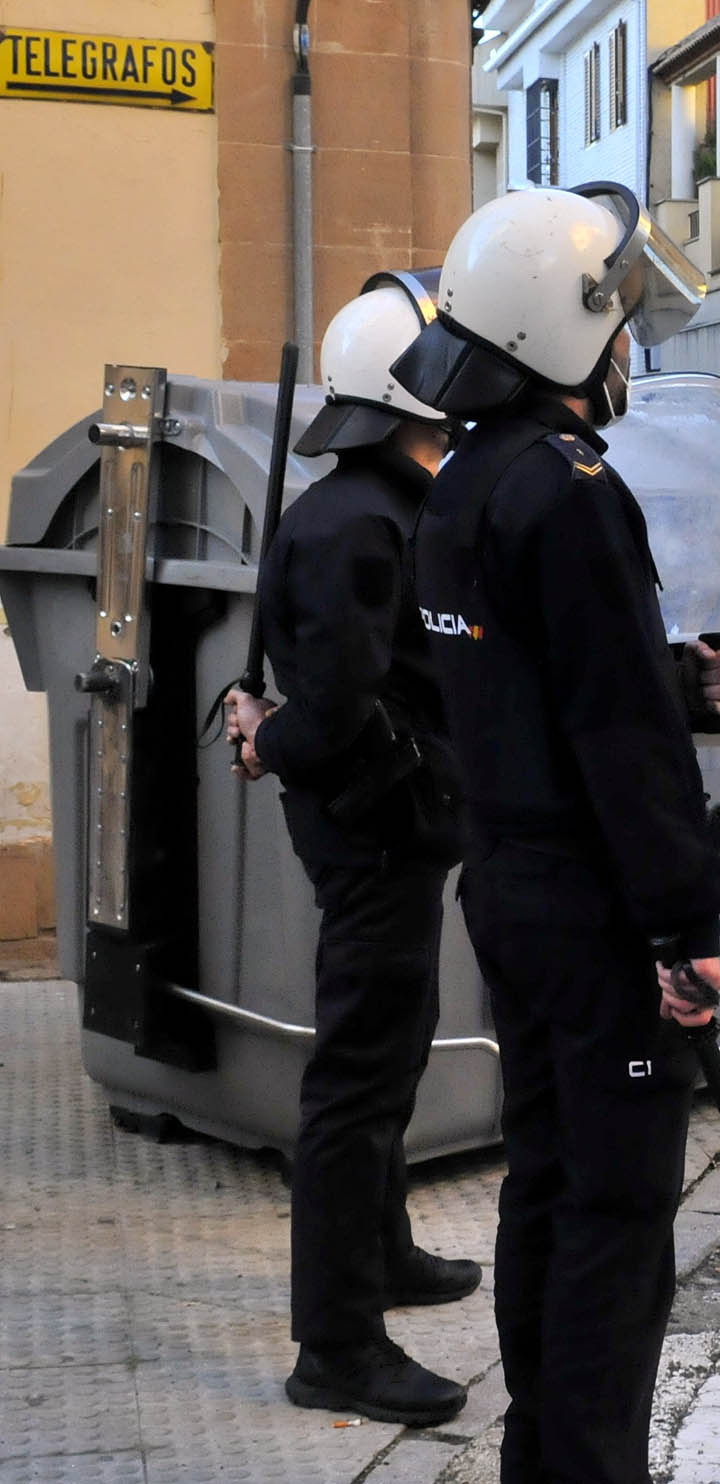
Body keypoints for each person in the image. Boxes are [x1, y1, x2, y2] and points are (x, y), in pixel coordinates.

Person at [389, 182, 720, 1484]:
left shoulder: (468, 483)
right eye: (615, 320)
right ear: (559, 330)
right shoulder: (572, 487)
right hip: (597, 912)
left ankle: (542, 1458)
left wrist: (669, 665)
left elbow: (543, 682)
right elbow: (610, 732)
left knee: (548, 1185)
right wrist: (681, 924)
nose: (628, 344)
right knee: (614, 1218)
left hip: (513, 887)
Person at [222, 287, 475, 1427]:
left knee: (386, 1055)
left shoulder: (378, 505)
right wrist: (269, 737)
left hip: (394, 829)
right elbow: (333, 706)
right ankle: (336, 1343)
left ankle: (384, 1256)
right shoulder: (359, 521)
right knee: (358, 1080)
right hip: (375, 833)